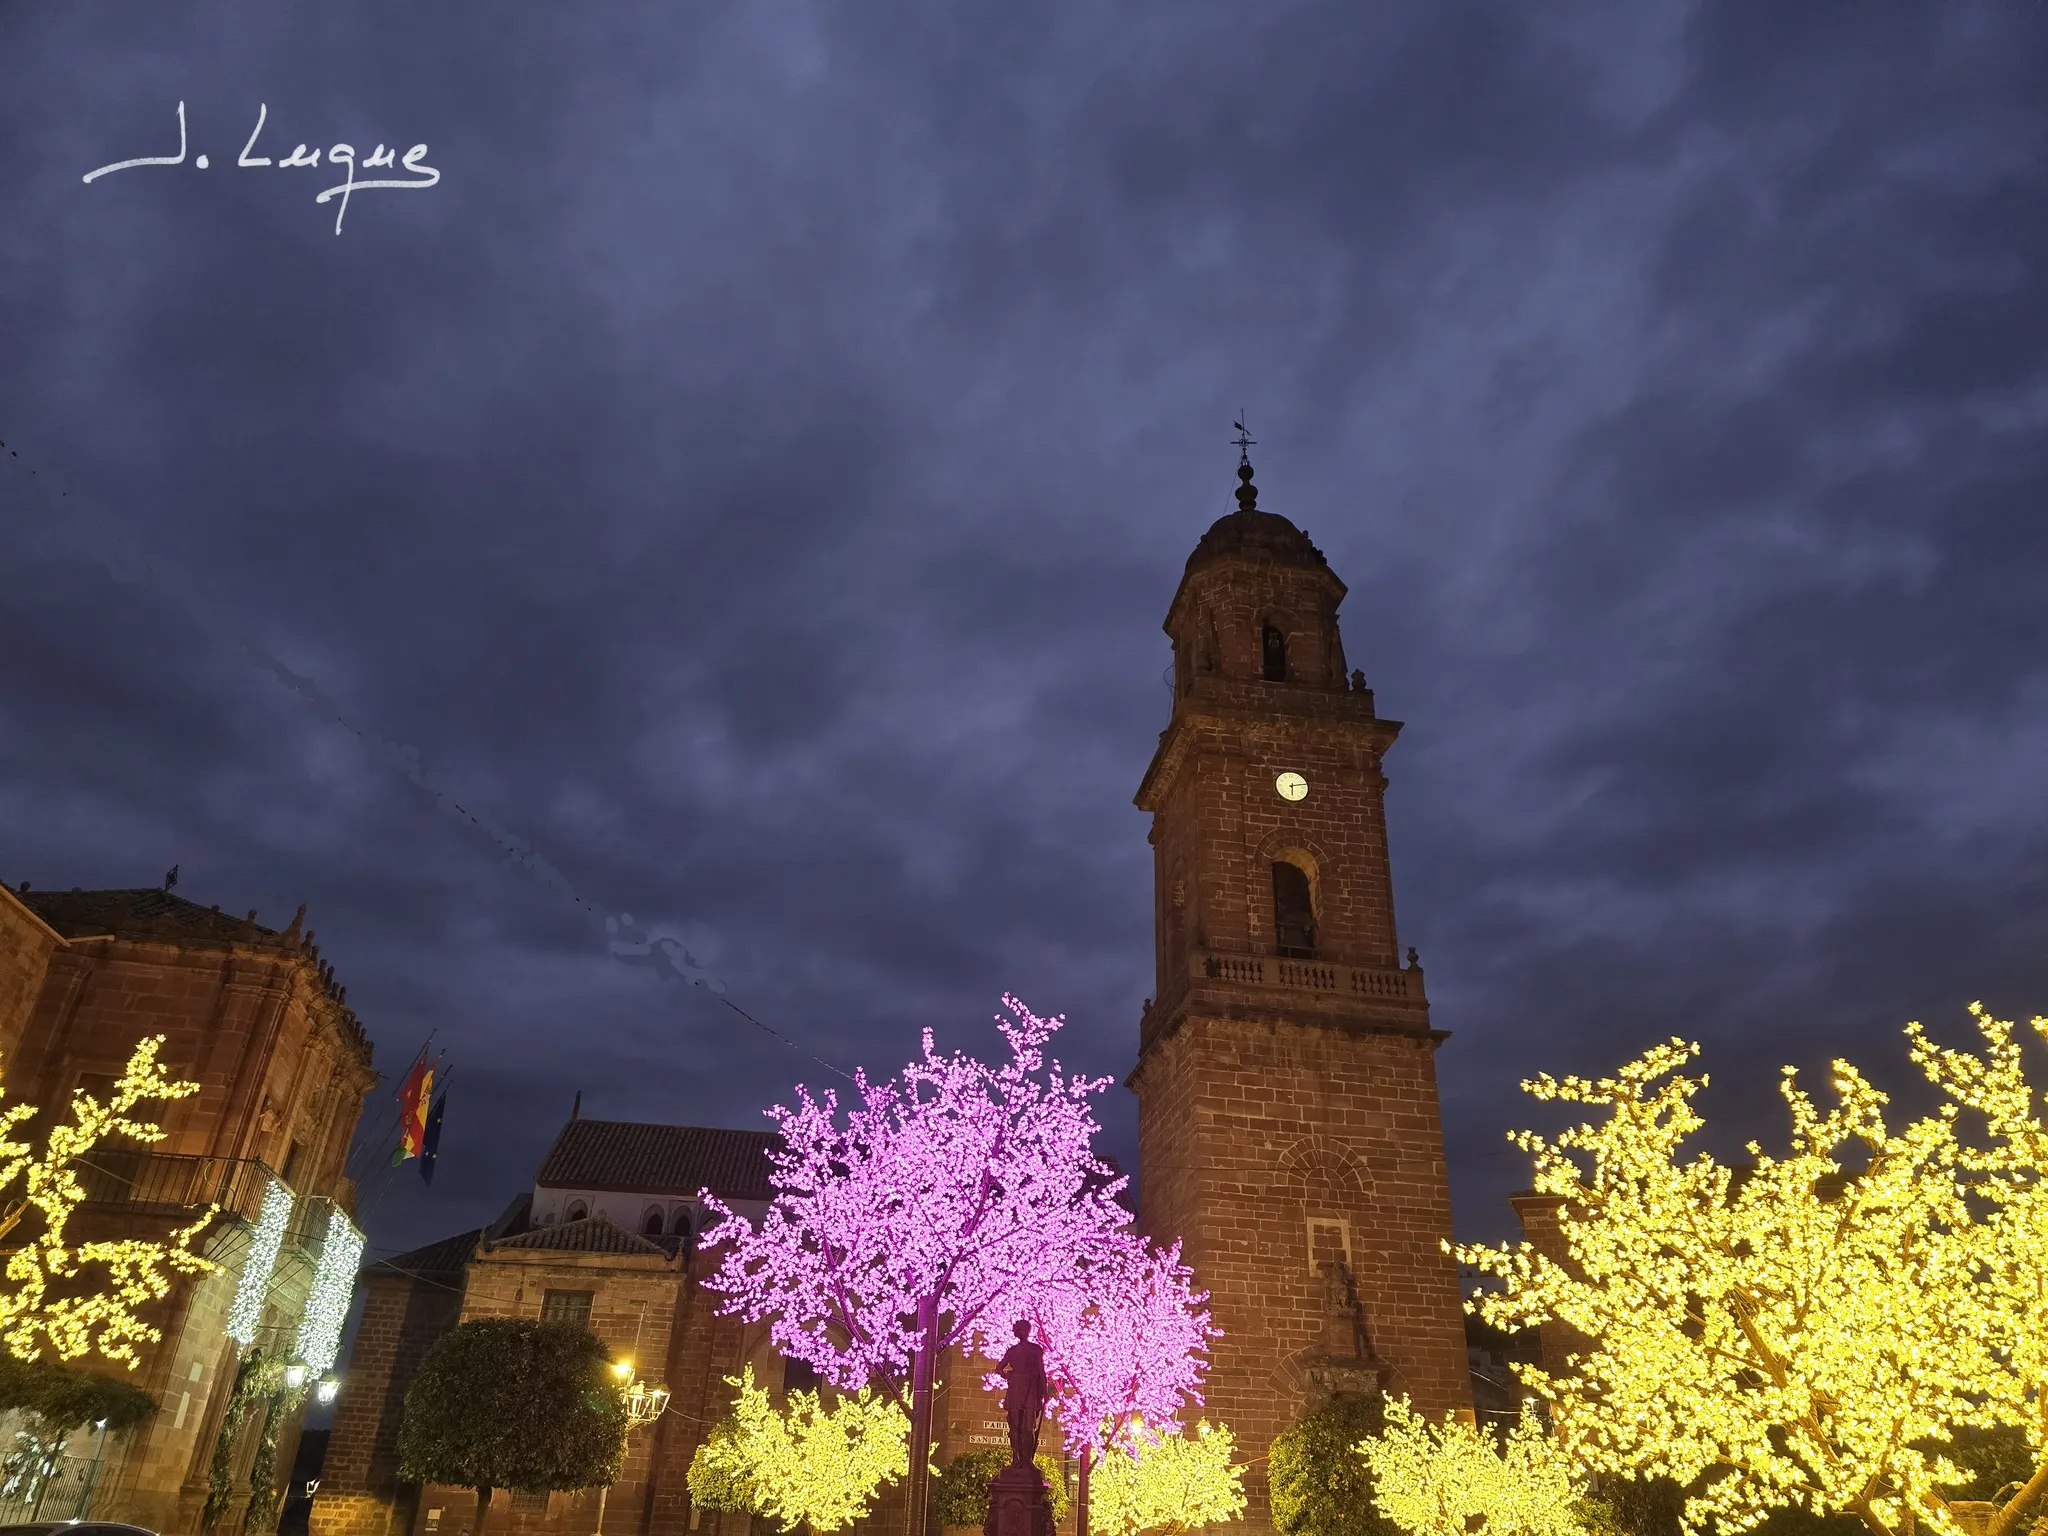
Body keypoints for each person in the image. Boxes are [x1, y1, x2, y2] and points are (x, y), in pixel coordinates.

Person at [996, 1320, 1047, 1465]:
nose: (1022, 1333)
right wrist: (1009, 1376)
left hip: (1031, 1389)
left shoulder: (1036, 1350)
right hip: (1015, 1390)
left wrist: (1044, 1390)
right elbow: (999, 1368)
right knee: (1015, 1425)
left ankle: (1027, 1459)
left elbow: (1041, 1371)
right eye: (1020, 1330)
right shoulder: (1012, 1351)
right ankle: (1016, 1457)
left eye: (1025, 1330)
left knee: (1028, 1426)